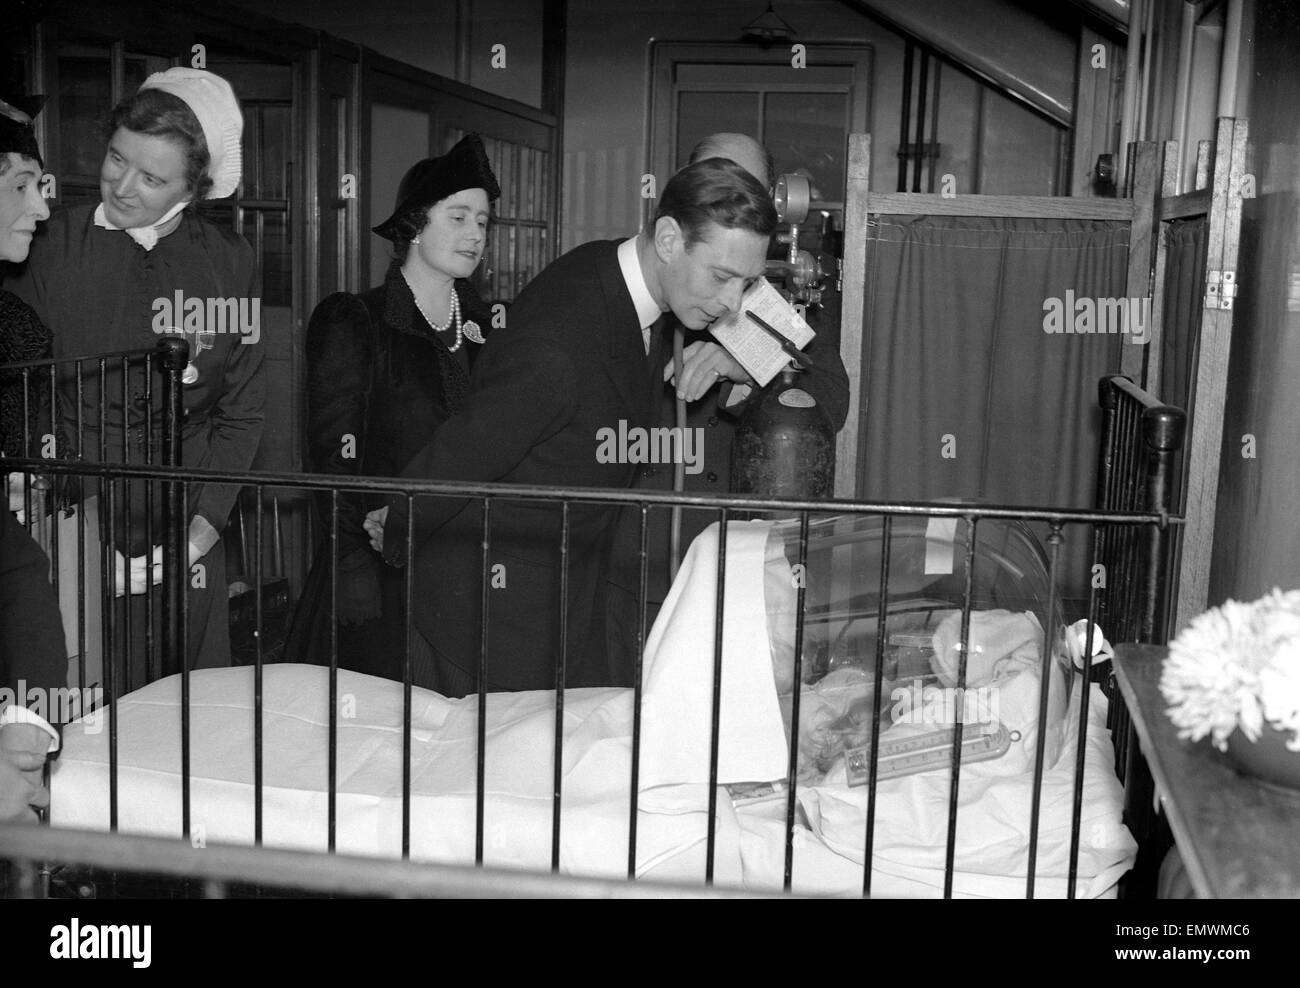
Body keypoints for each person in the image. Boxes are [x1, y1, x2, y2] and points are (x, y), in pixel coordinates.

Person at [363, 158, 778, 696]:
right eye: (722, 277)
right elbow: (469, 448)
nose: (732, 303)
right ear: (670, 239)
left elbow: (804, 358)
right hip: (488, 614)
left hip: (564, 589)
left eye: (747, 283)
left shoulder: (620, 271)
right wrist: (397, 521)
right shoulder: (560, 342)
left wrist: (745, 361)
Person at [8, 68, 263, 683]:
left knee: (187, 716)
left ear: (193, 188)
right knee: (88, 718)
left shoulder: (231, 262)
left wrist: (200, 535)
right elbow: (26, 401)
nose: (122, 187)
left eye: (151, 178)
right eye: (116, 159)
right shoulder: (46, 244)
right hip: (70, 520)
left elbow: (243, 408)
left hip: (192, 520)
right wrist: (86, 532)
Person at [605, 134, 851, 672]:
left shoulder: (783, 298)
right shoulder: (649, 276)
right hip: (637, 557)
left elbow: (828, 400)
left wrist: (747, 363)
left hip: (736, 557)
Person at [283, 135, 498, 680]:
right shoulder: (355, 320)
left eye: (483, 221)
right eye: (458, 217)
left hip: (466, 570)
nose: (475, 233)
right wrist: (351, 568)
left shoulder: (489, 325)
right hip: (379, 577)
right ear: (414, 225)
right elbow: (333, 462)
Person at [0, 95, 63, 822]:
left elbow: (17, 559)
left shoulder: (18, 333)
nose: (42, 208)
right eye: (20, 184)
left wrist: (28, 723)